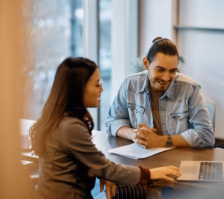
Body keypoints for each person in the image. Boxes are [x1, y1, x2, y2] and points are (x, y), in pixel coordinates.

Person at [29, 57, 181, 199]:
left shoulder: (60, 119)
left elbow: (91, 160)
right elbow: (105, 167)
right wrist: (150, 174)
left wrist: (100, 170)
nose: (101, 89)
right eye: (97, 84)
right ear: (79, 88)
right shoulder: (70, 127)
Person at [106, 37, 214, 148]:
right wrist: (133, 134)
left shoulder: (190, 88)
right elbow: (112, 121)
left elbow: (206, 135)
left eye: (172, 71)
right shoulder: (130, 85)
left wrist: (161, 141)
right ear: (146, 63)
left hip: (177, 159)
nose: (166, 78)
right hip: (141, 158)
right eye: (160, 70)